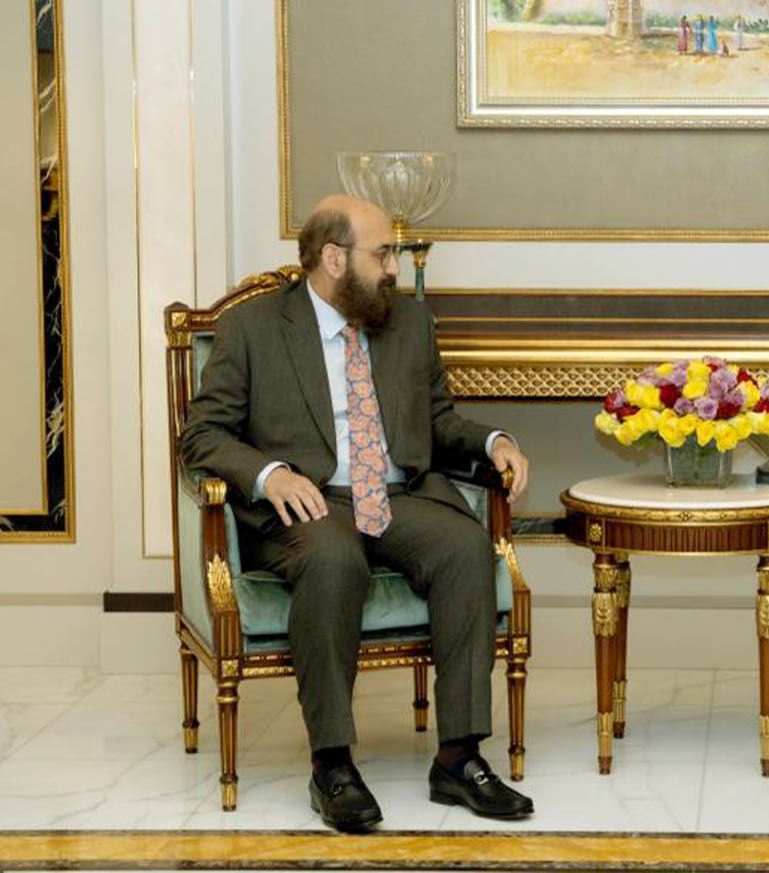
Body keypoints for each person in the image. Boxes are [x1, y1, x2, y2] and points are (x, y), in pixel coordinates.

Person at [179, 195, 536, 833]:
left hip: (399, 496)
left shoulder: (409, 323)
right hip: (310, 504)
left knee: (464, 548)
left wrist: (493, 442)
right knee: (333, 558)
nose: (394, 268)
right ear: (334, 258)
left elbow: (438, 419)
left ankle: (458, 759)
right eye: (383, 254)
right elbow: (202, 436)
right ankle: (333, 766)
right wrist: (270, 474)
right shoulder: (253, 328)